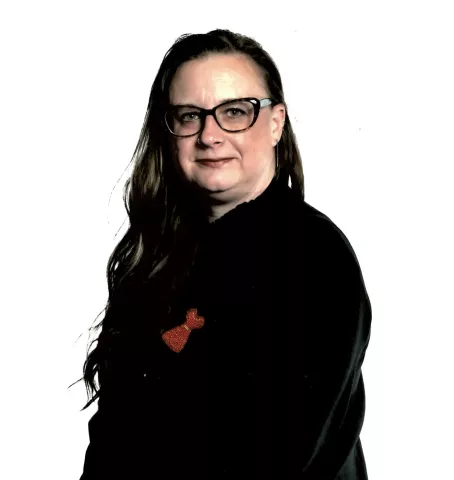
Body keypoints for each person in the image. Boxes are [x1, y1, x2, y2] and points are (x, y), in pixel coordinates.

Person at [76, 29, 372, 479]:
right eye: (190, 115)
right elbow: (113, 440)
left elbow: (277, 456)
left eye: (235, 112)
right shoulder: (156, 258)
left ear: (275, 124)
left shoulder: (312, 257)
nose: (210, 135)